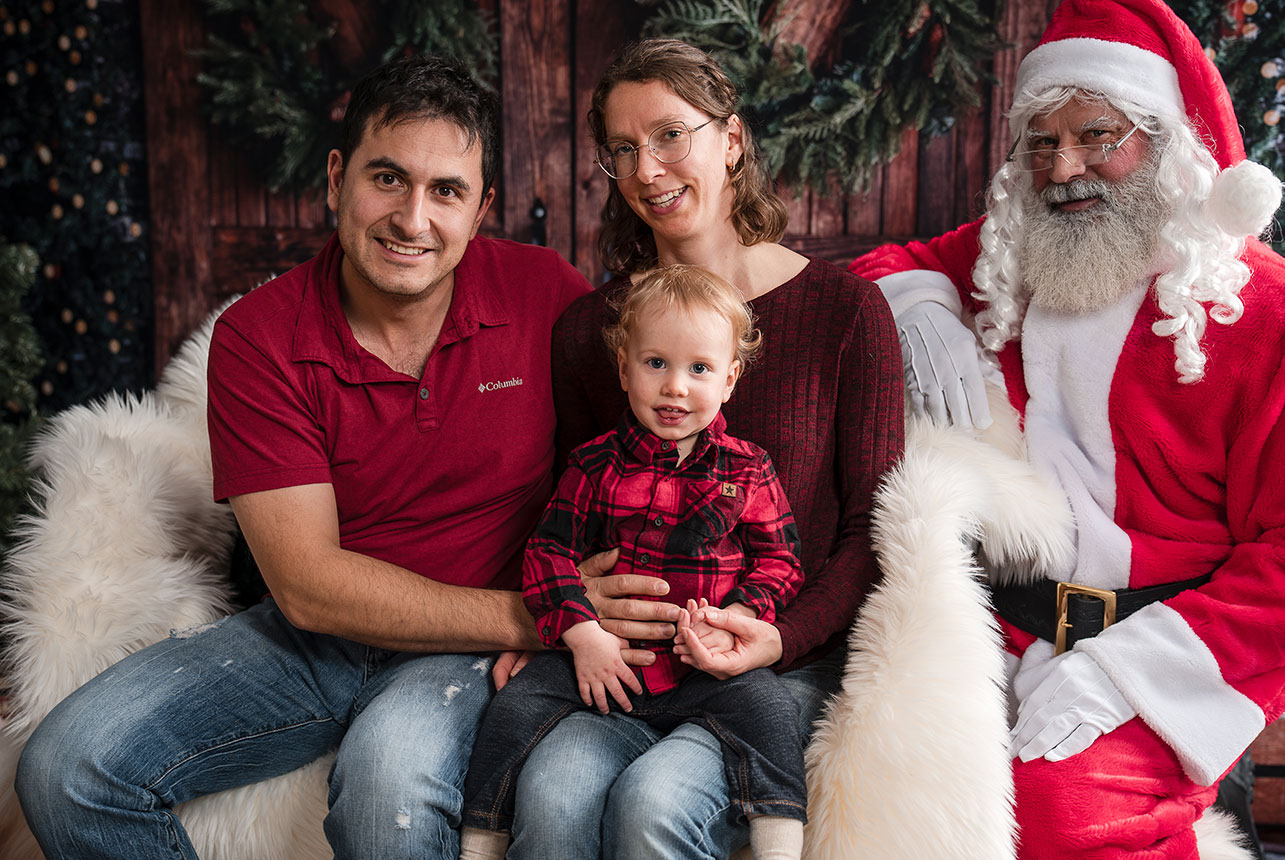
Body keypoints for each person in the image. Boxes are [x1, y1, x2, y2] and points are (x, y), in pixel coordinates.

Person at [14, 54, 591, 859]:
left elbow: (630, 451)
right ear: (335, 177)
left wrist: (567, 604)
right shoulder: (259, 336)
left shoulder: (545, 293)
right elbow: (309, 588)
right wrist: (534, 620)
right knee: (66, 768)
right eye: (386, 178)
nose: (412, 218)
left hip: (458, 652)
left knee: (388, 783)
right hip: (311, 643)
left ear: (482, 206)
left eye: (446, 191)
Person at [849, 0, 1285, 856]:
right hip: (994, 625)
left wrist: (1121, 677)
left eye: (1097, 136)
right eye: (1042, 143)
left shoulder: (1261, 308)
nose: (1063, 168)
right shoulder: (1022, 250)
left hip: (1162, 650)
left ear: (1164, 146)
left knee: (1056, 812)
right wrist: (916, 303)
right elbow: (889, 262)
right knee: (891, 803)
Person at [502, 39, 905, 860]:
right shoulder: (590, 333)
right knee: (549, 792)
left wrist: (782, 637)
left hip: (778, 666)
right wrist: (562, 604)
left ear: (731, 140)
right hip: (627, 665)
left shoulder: (845, 312)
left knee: (656, 804)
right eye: (621, 148)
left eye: (669, 135)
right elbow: (567, 514)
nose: (646, 168)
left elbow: (876, 527)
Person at [461, 265, 810, 860]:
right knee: (514, 704)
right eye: (656, 364)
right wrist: (581, 634)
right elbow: (549, 554)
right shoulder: (594, 464)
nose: (675, 387)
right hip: (608, 658)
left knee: (770, 709)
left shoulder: (747, 469)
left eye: (698, 369)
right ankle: (482, 836)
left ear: (729, 380)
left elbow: (780, 560)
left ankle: (780, 838)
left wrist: (739, 618)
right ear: (624, 368)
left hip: (701, 663)